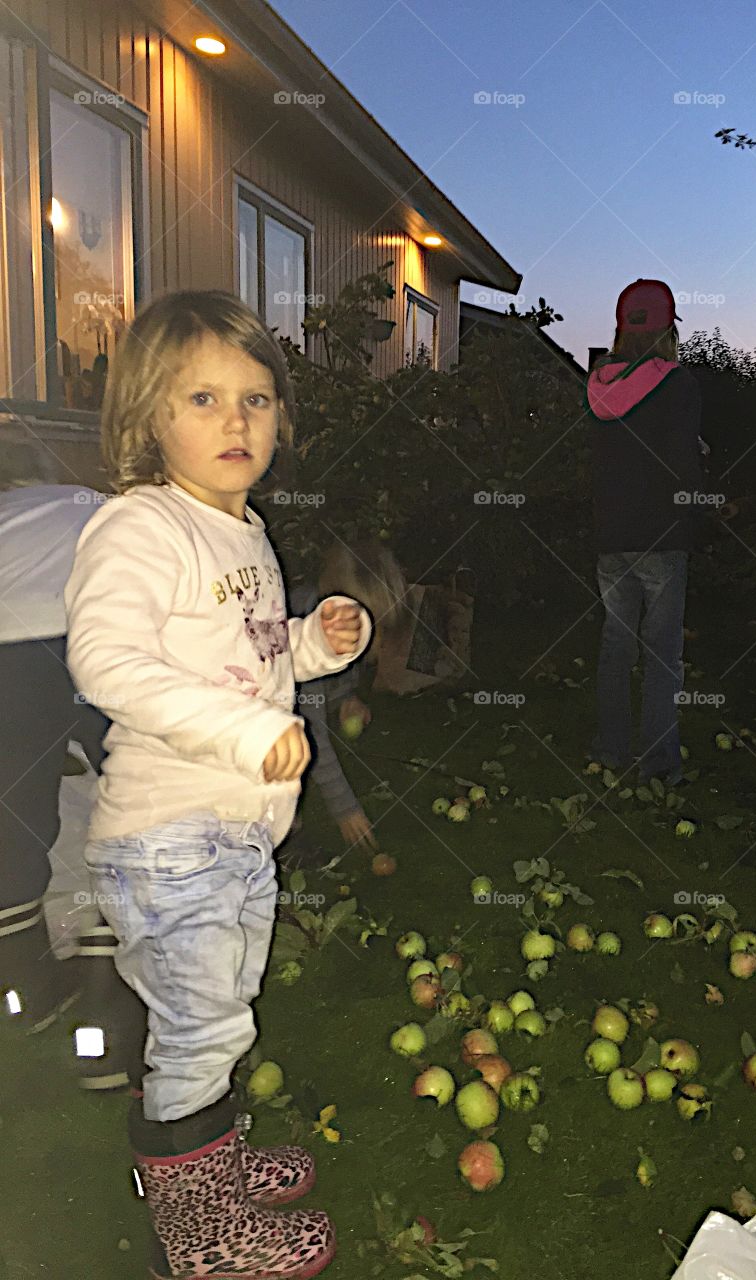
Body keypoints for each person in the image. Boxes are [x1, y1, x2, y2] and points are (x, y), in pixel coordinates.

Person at [65, 289, 371, 1279]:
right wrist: (246, 733)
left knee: (216, 1016)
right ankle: (199, 1235)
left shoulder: (242, 532)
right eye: (203, 398)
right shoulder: (141, 526)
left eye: (256, 398)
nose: (236, 419)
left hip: (235, 834)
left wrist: (312, 645)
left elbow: (246, 657)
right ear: (148, 416)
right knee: (202, 1027)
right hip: (170, 832)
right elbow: (107, 663)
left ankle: (212, 1168)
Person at [0, 477, 147, 1091]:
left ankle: (24, 995)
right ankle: (109, 1019)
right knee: (137, 802)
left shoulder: (19, 513)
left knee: (14, 820)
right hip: (92, 635)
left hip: (8, 651)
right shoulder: (109, 510)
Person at [586, 278, 704, 781]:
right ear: (667, 329)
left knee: (616, 648)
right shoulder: (678, 384)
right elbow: (681, 465)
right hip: (662, 535)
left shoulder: (598, 385)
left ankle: (609, 751)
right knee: (662, 656)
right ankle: (658, 764)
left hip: (611, 536)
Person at [289, 541, 407, 856]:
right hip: (252, 714)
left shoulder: (343, 632)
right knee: (286, 760)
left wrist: (346, 700)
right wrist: (345, 809)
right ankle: (284, 835)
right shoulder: (309, 636)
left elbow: (341, 677)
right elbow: (312, 733)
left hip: (295, 710)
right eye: (378, 630)